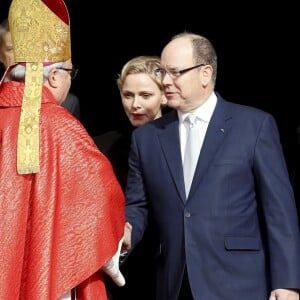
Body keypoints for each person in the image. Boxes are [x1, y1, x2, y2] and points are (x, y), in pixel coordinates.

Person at [122, 32, 300, 300]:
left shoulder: (253, 126)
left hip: (240, 283)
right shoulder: (147, 138)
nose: (166, 81)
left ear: (205, 74)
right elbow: (138, 206)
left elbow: (279, 212)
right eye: (163, 72)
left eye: (175, 72)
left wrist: (286, 283)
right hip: (174, 282)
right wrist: (125, 234)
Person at [0, 0, 125, 299]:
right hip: (49, 276)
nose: (70, 78)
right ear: (54, 76)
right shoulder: (62, 127)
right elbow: (100, 200)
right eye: (70, 71)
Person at [93, 55, 167, 299]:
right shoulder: (103, 145)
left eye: (145, 95)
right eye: (128, 95)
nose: (135, 104)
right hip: (119, 261)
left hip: (165, 261)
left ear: (164, 96)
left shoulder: (181, 144)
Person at [0, 17, 80, 120]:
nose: (21, 57)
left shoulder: (68, 102)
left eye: (26, 50)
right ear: (0, 55)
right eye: (11, 50)